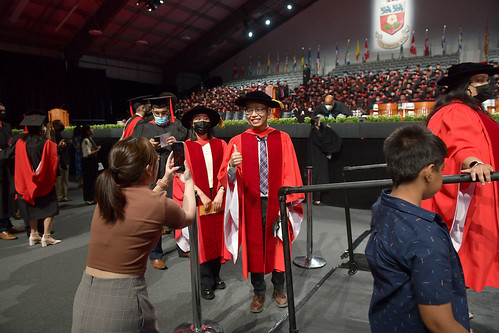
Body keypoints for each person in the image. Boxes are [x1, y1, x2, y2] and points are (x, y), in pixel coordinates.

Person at [72, 137, 196, 333]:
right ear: (148, 169)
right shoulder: (156, 204)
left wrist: (164, 181)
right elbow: (187, 216)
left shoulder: (109, 195)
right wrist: (189, 182)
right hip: (123, 300)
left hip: (86, 293)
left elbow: (143, 205)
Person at [365, 125, 469, 333]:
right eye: (442, 169)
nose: (442, 174)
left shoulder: (383, 204)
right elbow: (438, 323)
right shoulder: (426, 237)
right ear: (429, 172)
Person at [218, 91, 304, 313]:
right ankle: (258, 291)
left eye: (258, 109)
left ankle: (279, 288)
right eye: (249, 110)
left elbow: (290, 171)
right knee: (253, 247)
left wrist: (285, 201)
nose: (253, 114)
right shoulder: (237, 141)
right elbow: (224, 178)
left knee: (279, 245)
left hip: (277, 202)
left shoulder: (282, 138)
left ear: (268, 112)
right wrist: (231, 168)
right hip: (250, 204)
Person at [422, 62, 499, 292]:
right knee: (458, 250)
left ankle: (451, 304)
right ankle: (447, 309)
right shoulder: (457, 111)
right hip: (467, 193)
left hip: (479, 188)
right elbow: (459, 144)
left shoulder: (471, 109)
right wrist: (473, 163)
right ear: (465, 86)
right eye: (480, 79)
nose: (488, 84)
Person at [174, 105, 231, 300]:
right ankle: (205, 281)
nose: (201, 122)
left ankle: (216, 275)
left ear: (211, 122)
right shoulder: (185, 147)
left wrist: (221, 192)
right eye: (197, 118)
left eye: (205, 118)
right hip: (198, 198)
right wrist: (201, 195)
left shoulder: (221, 145)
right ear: (191, 123)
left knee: (217, 237)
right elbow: (181, 175)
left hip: (218, 197)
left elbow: (226, 171)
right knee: (202, 240)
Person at [132, 93, 188, 270]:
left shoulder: (177, 125)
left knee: (178, 209)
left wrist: (177, 141)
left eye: (164, 113)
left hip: (174, 173)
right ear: (152, 112)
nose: (161, 117)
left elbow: (189, 142)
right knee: (155, 214)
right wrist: (147, 144)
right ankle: (155, 254)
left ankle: (182, 246)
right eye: (157, 113)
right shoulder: (143, 127)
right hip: (152, 175)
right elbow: (131, 145)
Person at [15, 111, 61, 247]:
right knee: (50, 208)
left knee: (31, 207)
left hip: (26, 183)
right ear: (41, 127)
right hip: (43, 182)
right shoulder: (46, 143)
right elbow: (53, 162)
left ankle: (33, 234)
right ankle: (46, 236)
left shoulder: (20, 143)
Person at [0, 102, 25, 240]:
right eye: (0, 110)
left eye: (4, 110)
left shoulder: (6, 126)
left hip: (7, 164)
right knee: (0, 198)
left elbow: (9, 143)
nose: (3, 112)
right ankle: (1, 228)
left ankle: (8, 224)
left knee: (7, 195)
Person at [307, 116, 342, 205]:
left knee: (317, 178)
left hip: (317, 158)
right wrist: (329, 131)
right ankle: (316, 199)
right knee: (318, 177)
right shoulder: (315, 133)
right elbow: (324, 141)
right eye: (319, 121)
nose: (321, 123)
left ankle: (315, 199)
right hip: (317, 159)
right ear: (315, 123)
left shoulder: (314, 133)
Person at [81, 124, 101, 205]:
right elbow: (87, 153)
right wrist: (97, 150)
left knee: (93, 180)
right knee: (89, 180)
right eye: (91, 129)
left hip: (92, 161)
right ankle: (89, 198)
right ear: (88, 131)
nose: (92, 130)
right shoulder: (85, 140)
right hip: (88, 162)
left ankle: (93, 197)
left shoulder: (89, 139)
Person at [53, 119, 71, 202]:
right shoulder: (56, 135)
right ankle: (61, 195)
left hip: (62, 159)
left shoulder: (57, 134)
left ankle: (62, 195)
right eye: (60, 124)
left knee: (62, 178)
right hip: (61, 159)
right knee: (61, 178)